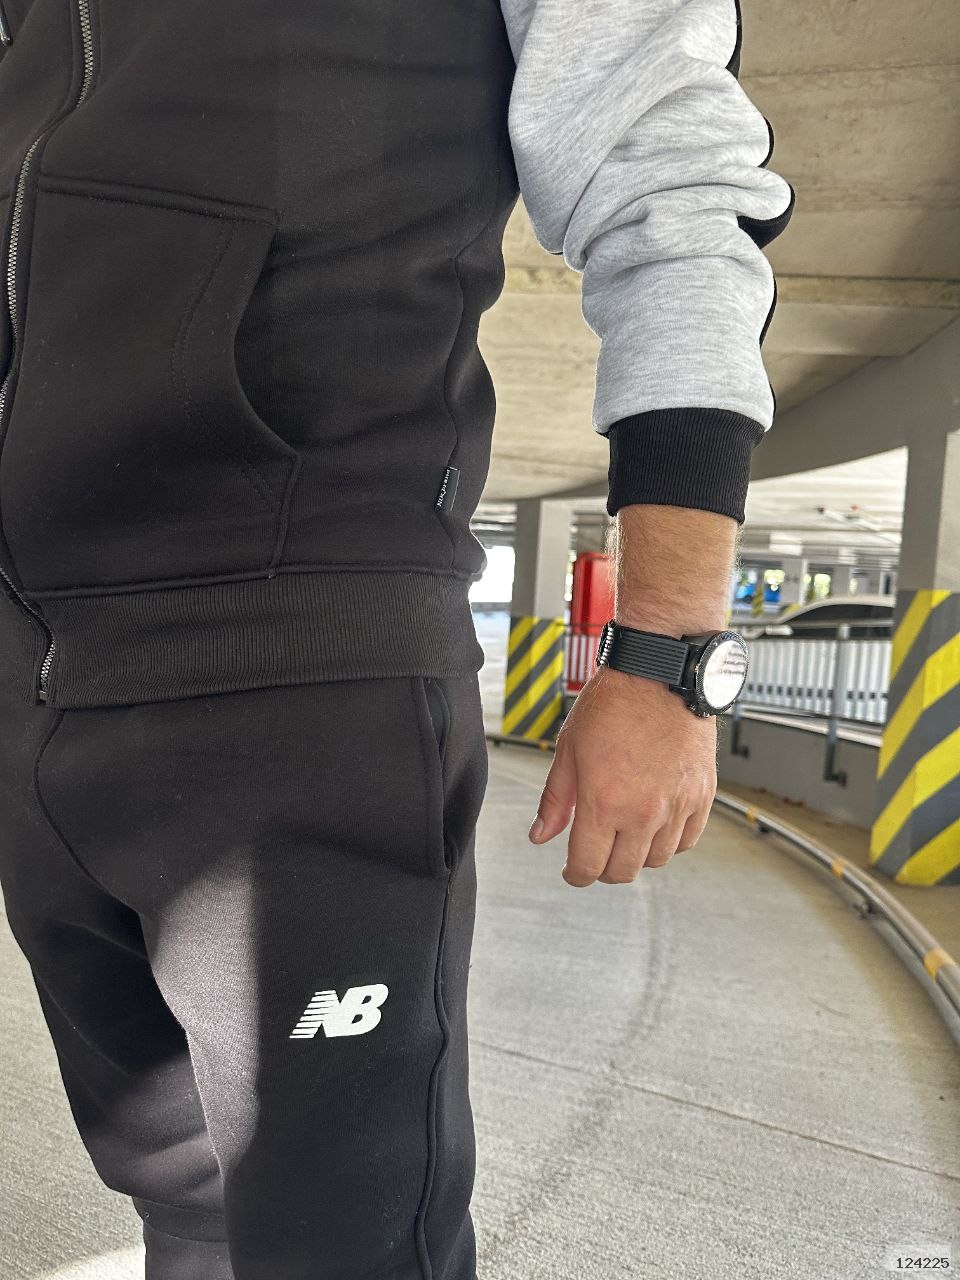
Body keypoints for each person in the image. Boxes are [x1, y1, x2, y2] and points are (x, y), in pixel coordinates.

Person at [0, 0, 793, 1275]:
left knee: (346, 1238)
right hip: (32, 673)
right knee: (181, 1203)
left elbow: (673, 191)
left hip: (302, 649)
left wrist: (670, 656)